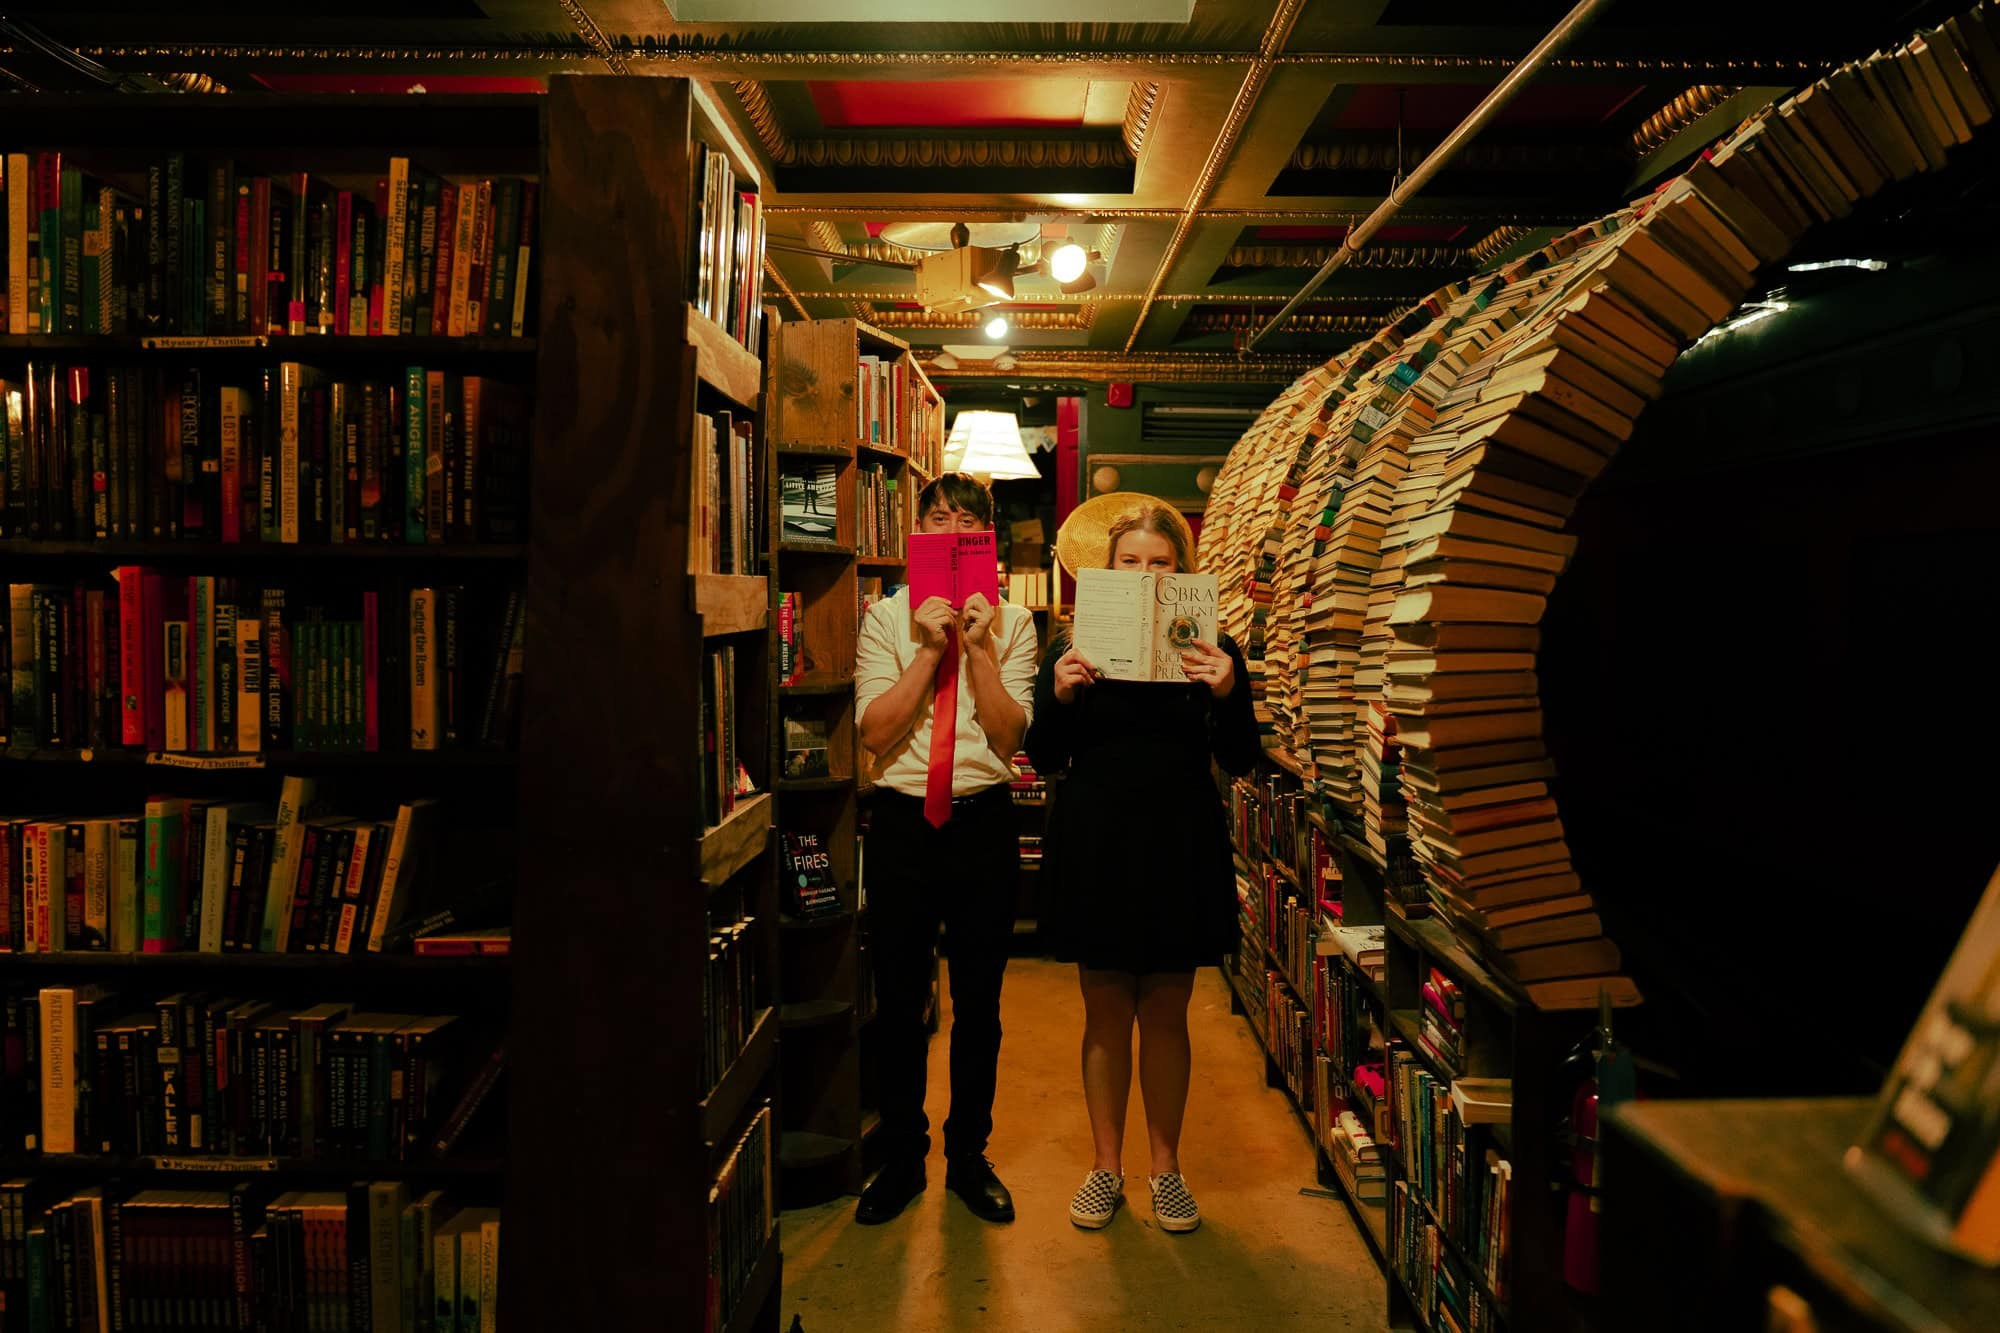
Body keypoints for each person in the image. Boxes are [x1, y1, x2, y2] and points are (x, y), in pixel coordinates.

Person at [1024, 500, 1259, 1234]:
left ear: (1182, 573)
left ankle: (1167, 1170)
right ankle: (1104, 1167)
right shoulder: (1073, 647)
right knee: (1104, 1014)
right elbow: (1044, 756)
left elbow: (1242, 759)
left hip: (1177, 838)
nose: (1147, 573)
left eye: (1162, 562)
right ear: (1107, 570)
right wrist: (1059, 696)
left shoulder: (1214, 651)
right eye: (1131, 561)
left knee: (1166, 1011)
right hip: (1097, 837)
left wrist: (1227, 691)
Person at [851, 472, 1041, 1225]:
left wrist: (979, 647)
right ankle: (903, 1155)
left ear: (984, 539)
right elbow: (874, 731)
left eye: (967, 520)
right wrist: (930, 651)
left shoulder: (1016, 622)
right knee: (897, 1000)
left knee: (980, 1004)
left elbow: (1009, 734)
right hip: (901, 821)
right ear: (917, 533)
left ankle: (968, 1155)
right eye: (938, 518)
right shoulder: (884, 616)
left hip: (983, 820)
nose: (951, 527)